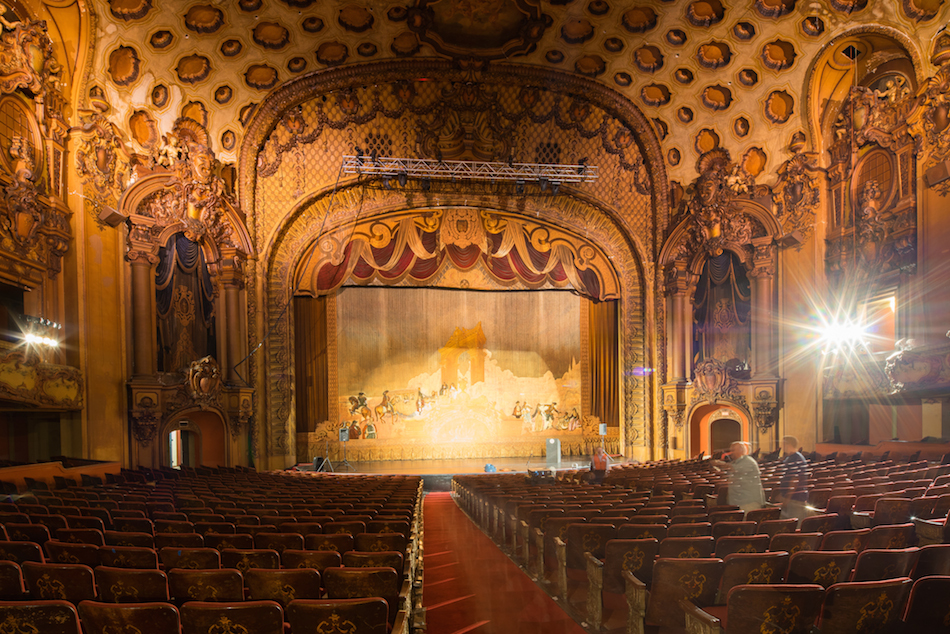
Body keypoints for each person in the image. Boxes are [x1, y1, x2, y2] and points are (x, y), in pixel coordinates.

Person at [726, 441, 765, 512]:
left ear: (740, 451)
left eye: (733, 450)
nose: (731, 453)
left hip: (749, 503)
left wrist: (719, 464)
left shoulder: (748, 462)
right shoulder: (738, 462)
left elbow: (734, 469)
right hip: (741, 501)